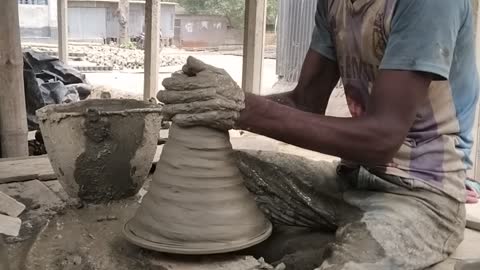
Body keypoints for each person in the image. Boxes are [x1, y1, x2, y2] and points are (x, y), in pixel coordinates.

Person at [158, 0, 479, 269]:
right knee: (210, 173)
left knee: (349, 264)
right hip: (350, 180)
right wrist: (211, 103)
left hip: (424, 195)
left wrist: (241, 108)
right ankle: (318, 241)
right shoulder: (335, 3)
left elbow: (382, 138)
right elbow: (304, 103)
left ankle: (327, 245)